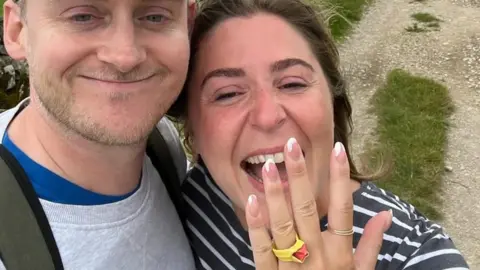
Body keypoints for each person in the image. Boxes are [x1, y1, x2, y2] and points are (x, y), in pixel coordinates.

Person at [171, 0, 471, 269]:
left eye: (292, 84)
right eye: (228, 94)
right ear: (192, 132)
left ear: (333, 101)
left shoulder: (416, 255)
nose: (267, 116)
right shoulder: (190, 199)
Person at [0, 0, 196, 269]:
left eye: (154, 17)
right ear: (17, 29)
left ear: (188, 24)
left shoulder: (164, 144)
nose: (125, 57)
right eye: (81, 17)